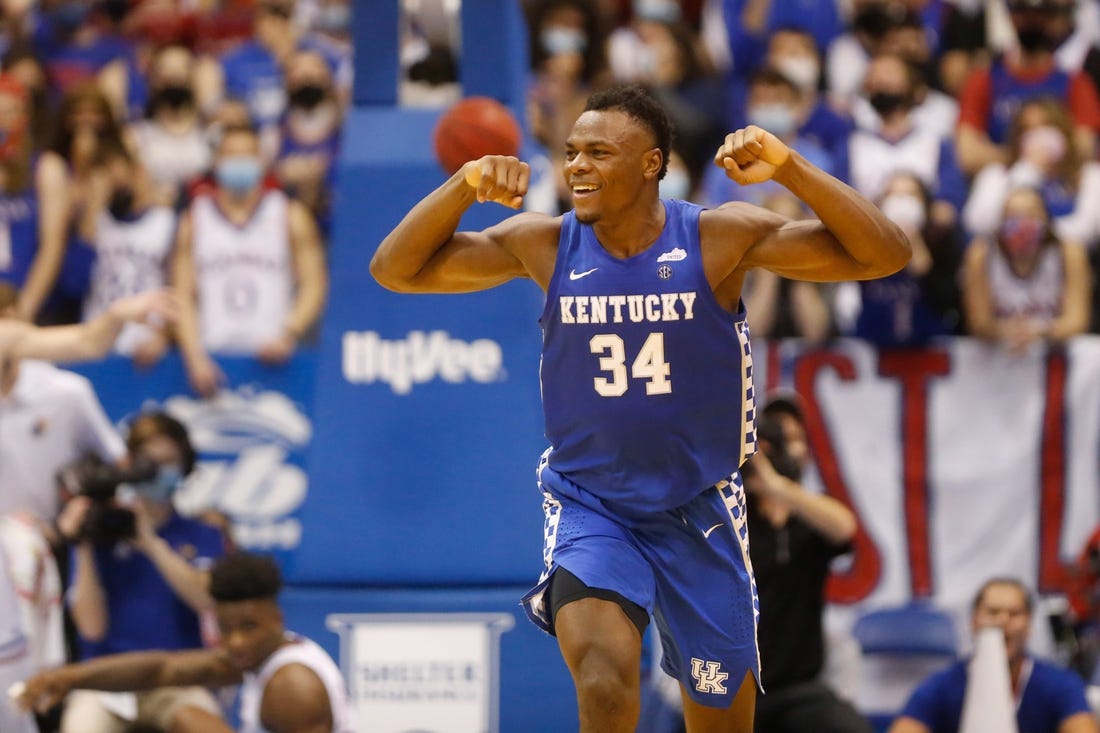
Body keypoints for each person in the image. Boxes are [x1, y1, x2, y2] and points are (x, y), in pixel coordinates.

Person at [369, 83, 910, 731]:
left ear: (651, 164)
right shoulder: (544, 243)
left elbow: (885, 252)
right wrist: (463, 185)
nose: (576, 166)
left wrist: (790, 167)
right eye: (571, 152)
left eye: (598, 152)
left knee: (718, 719)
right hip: (593, 504)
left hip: (699, 508)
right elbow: (394, 270)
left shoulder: (717, 237)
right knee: (602, 678)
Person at [16, 552, 355, 733]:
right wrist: (70, 677)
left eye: (249, 627)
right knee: (187, 720)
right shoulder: (261, 655)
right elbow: (163, 670)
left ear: (277, 618)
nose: (236, 642)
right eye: (225, 629)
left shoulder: (293, 687)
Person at [54, 410, 227, 733]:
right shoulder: (102, 532)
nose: (159, 472)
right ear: (131, 466)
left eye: (169, 462)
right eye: (149, 463)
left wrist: (149, 541)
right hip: (106, 680)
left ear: (186, 465)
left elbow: (207, 600)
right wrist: (82, 545)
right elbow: (91, 629)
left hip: (178, 678)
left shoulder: (203, 534)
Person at [172, 122, 328, 397]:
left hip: (274, 359)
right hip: (213, 358)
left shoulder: (290, 215)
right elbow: (182, 294)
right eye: (231, 155)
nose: (239, 162)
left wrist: (290, 332)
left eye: (248, 155)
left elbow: (314, 282)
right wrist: (194, 356)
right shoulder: (194, 219)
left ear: (262, 160)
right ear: (216, 161)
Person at [744, 402, 868, 733]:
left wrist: (777, 486)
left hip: (799, 689)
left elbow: (844, 527)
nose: (785, 449)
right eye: (771, 442)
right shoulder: (731, 519)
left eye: (795, 438)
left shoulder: (808, 519)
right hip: (736, 687)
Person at [888, 577, 1099, 733]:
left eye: (1014, 613)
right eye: (992, 612)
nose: (1003, 621)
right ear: (974, 621)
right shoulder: (943, 685)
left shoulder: (1060, 685)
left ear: (1029, 625)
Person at [961, 186, 1090, 353]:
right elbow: (979, 323)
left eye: (1031, 214)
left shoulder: (1068, 253)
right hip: (999, 359)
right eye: (1013, 216)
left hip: (1052, 358)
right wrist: (1009, 332)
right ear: (1001, 223)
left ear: (1046, 219)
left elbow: (1076, 320)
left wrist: (1038, 331)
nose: (1022, 223)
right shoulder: (981, 254)